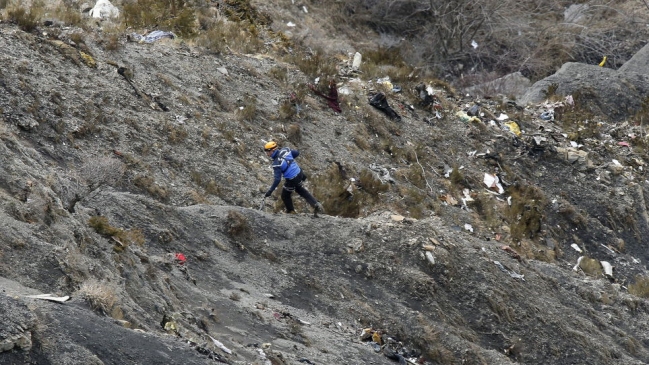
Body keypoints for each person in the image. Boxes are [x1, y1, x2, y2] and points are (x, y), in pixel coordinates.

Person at [263, 141, 324, 215]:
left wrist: (270, 191)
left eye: (267, 152)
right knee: (299, 189)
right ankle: (315, 204)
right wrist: (289, 160)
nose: (267, 154)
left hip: (292, 179)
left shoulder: (276, 164)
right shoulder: (285, 150)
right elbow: (296, 153)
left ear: (272, 150)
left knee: (285, 195)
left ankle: (291, 211)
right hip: (299, 173)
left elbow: (277, 179)